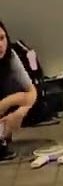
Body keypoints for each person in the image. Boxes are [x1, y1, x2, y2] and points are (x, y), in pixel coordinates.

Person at [0, 21, 38, 162]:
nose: (0, 45)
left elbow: (32, 92)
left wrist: (19, 112)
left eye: (2, 38)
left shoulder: (10, 56)